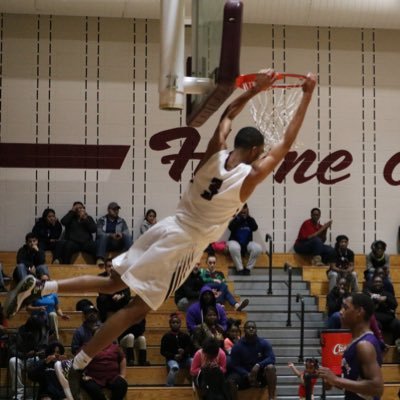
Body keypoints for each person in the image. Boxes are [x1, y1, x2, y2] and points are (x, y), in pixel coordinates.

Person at [5, 69, 317, 400]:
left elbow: (226, 115)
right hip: (183, 245)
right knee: (135, 310)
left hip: (167, 225)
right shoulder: (249, 176)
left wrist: (254, 91)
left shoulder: (215, 153)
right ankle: (75, 364)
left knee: (113, 282)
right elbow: (285, 144)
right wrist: (308, 94)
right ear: (255, 150)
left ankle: (42, 285)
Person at [318, 293, 384, 400]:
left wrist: (336, 380)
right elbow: (356, 384)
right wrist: (332, 381)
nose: (341, 312)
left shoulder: (364, 345)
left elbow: (377, 388)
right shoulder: (354, 340)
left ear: (359, 312)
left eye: (345, 308)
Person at [56, 326, 128, 400]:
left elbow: (122, 358)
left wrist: (122, 374)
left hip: (112, 377)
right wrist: (83, 375)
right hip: (94, 378)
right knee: (89, 386)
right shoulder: (88, 347)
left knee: (122, 384)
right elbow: (78, 360)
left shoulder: (115, 347)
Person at [227, 321, 277, 400]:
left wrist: (258, 365)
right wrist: (247, 374)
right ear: (244, 330)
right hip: (244, 376)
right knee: (230, 380)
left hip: (259, 374)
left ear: (256, 330)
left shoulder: (264, 343)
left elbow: (272, 358)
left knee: (271, 368)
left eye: (253, 327)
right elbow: (234, 365)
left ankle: (271, 398)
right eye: (248, 328)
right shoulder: (237, 346)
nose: (251, 329)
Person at [8, 314, 52, 400]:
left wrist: (37, 352)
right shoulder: (20, 332)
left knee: (41, 361)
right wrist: (25, 355)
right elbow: (12, 350)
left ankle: (41, 392)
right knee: (12, 361)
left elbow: (44, 347)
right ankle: (19, 392)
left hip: (35, 359)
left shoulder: (41, 331)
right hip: (21, 358)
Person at [26, 274, 70, 340]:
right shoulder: (35, 293)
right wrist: (38, 308)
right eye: (43, 280)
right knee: (43, 319)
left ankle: (54, 337)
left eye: (47, 280)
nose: (45, 282)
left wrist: (62, 315)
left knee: (53, 314)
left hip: (50, 318)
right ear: (39, 281)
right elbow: (28, 308)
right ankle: (43, 340)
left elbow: (57, 309)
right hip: (38, 316)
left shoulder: (53, 294)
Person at [363, 275, 400, 346]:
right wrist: (375, 299)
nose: (378, 283)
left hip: (388, 320)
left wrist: (386, 299)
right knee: (376, 324)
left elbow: (395, 305)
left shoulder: (387, 294)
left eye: (379, 282)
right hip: (376, 320)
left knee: (397, 324)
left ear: (382, 284)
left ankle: (394, 344)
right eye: (376, 282)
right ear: (373, 283)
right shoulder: (367, 294)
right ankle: (378, 345)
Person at [227, 203, 262, 275]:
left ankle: (248, 269)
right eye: (241, 212)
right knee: (234, 247)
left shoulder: (250, 219)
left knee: (257, 248)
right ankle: (240, 269)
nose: (243, 213)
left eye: (244, 212)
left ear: (247, 210)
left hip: (247, 243)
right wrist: (240, 218)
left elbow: (255, 227)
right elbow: (230, 228)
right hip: (234, 242)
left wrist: (247, 217)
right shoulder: (235, 218)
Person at [160, 312, 193, 387]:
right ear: (170, 324)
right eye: (173, 322)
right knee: (174, 367)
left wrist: (184, 352)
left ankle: (196, 383)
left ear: (180, 324)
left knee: (193, 361)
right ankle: (169, 385)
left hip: (184, 359)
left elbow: (190, 347)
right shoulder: (166, 336)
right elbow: (163, 351)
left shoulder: (185, 335)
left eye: (177, 322)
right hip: (172, 359)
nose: (175, 324)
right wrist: (174, 355)